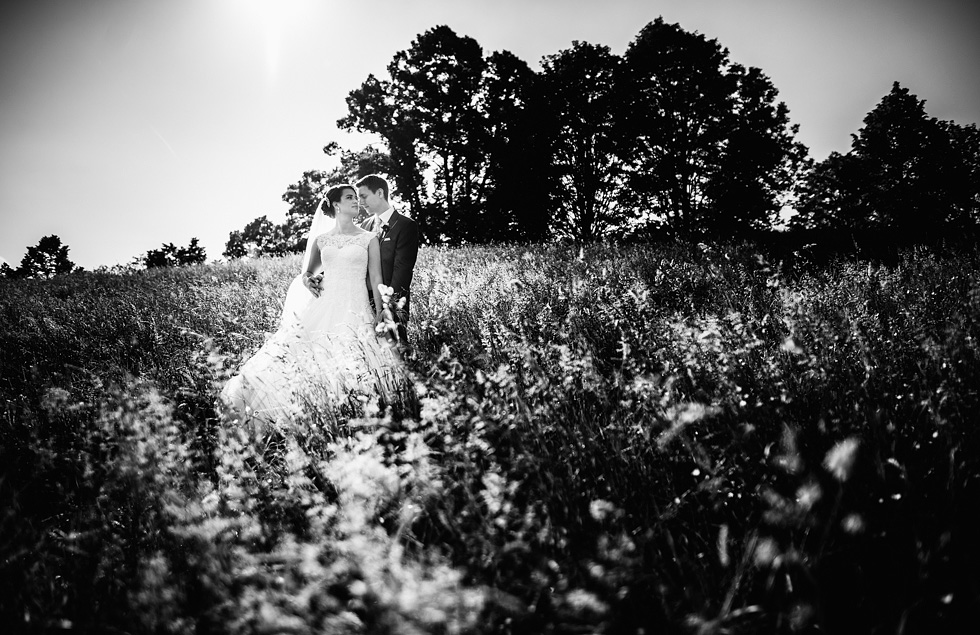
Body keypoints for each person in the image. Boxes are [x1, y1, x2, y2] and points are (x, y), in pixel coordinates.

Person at [219, 183, 406, 429]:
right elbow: (307, 272)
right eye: (349, 197)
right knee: (310, 355)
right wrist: (309, 280)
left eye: (356, 197)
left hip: (356, 305)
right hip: (324, 305)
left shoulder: (368, 238)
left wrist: (383, 308)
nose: (356, 201)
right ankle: (313, 414)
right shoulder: (322, 240)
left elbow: (375, 278)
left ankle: (359, 417)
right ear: (336, 205)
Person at [356, 174, 419, 345]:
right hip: (364, 301)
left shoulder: (405, 225)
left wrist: (386, 308)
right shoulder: (364, 226)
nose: (361, 202)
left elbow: (403, 271)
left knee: (396, 352)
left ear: (379, 193)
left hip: (392, 305)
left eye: (364, 196)